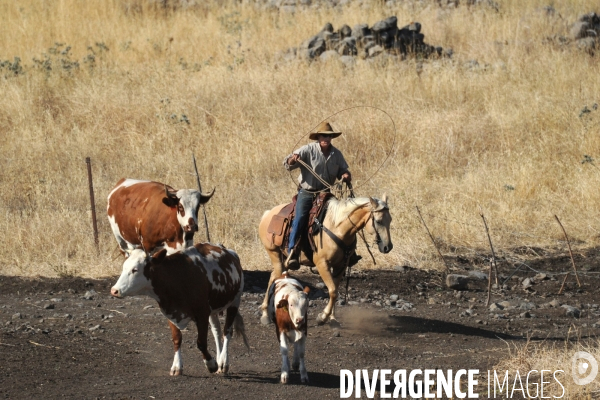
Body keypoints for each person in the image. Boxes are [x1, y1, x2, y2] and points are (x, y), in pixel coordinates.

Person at [283, 121, 351, 270]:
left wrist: (345, 175)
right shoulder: (308, 149)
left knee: (341, 216)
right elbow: (287, 163)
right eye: (323, 136)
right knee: (300, 217)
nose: (326, 139)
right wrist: (292, 159)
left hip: (326, 193)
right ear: (318, 137)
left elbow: (343, 169)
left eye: (329, 136)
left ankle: (348, 252)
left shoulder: (336, 154)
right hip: (308, 192)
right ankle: (292, 252)